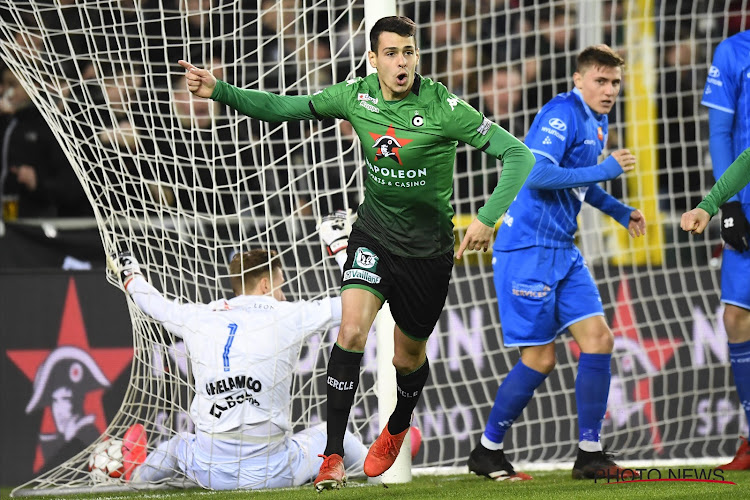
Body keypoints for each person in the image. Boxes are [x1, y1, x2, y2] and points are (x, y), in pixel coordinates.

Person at [178, 15, 535, 491]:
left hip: (427, 252)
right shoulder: (355, 95)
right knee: (349, 332)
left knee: (407, 360)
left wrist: (487, 217)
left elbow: (520, 156)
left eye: (408, 52)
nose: (402, 62)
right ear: (373, 58)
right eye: (391, 53)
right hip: (373, 235)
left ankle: (398, 422)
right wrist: (221, 91)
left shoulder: (443, 106)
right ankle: (330, 456)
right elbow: (286, 108)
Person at [468, 44, 646, 481]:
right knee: (541, 359)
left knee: (600, 340)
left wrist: (620, 211)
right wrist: (604, 172)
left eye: (614, 83)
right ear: (578, 80)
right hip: (526, 248)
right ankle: (487, 450)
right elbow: (536, 173)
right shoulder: (561, 114)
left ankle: (590, 454)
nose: (608, 90)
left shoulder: (598, 121)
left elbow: (579, 185)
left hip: (562, 249)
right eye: (600, 81)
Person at [107, 213, 370, 490]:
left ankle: (134, 480)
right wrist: (340, 245)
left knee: (177, 446)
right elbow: (358, 301)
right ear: (266, 285)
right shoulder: (289, 314)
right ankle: (380, 468)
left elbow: (153, 304)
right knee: (335, 437)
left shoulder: (198, 315)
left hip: (210, 471)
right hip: (274, 471)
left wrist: (130, 273)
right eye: (281, 285)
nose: (284, 294)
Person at [691, 28, 750, 470]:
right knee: (736, 315)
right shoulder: (734, 50)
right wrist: (721, 205)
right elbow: (732, 141)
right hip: (745, 201)